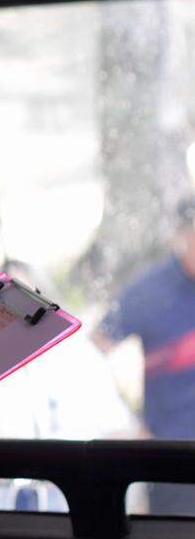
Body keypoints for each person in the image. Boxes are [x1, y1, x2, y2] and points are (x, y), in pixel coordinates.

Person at [97, 200, 195, 516]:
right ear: (180, 236)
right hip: (173, 457)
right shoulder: (150, 291)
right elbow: (94, 348)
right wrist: (127, 419)